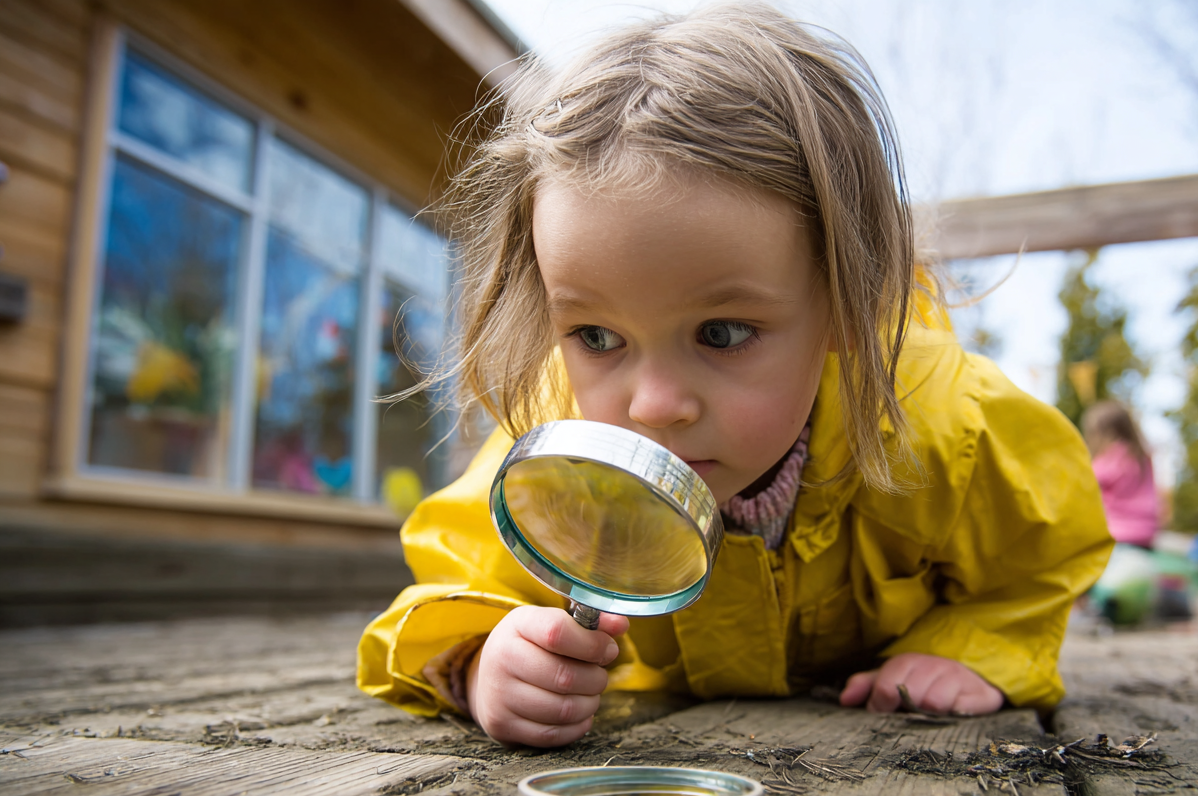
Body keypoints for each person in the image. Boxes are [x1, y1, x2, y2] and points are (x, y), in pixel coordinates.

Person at [357, 3, 1112, 748]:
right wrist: (481, 659)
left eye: (721, 334)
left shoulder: (948, 426)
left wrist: (971, 647)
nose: (652, 405)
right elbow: (453, 590)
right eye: (596, 336)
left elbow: (1043, 560)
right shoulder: (563, 451)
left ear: (852, 299)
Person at [1082, 401, 1159, 550]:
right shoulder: (1142, 457)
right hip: (1146, 536)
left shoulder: (1111, 457)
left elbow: (1085, 484)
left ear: (1105, 433)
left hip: (1116, 536)